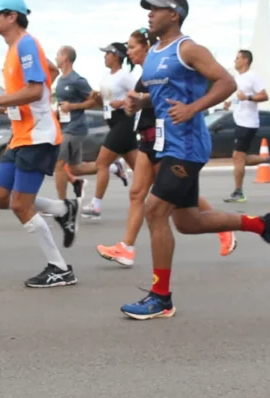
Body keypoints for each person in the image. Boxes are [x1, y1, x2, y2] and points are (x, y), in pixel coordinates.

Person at [119, 0, 270, 320]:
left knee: (155, 210)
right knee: (187, 222)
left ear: (174, 14)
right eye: (149, 10)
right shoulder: (153, 54)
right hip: (167, 143)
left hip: (187, 145)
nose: (150, 15)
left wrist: (193, 108)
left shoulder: (189, 49)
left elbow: (226, 83)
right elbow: (161, 97)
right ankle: (264, 224)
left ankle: (161, 297)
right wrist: (140, 102)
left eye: (155, 10)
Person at [97, 29, 238, 268]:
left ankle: (224, 230)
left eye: (132, 47)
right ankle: (127, 248)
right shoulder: (146, 73)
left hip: (168, 139)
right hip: (147, 137)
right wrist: (135, 103)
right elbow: (151, 99)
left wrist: (140, 100)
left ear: (146, 47)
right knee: (138, 193)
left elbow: (173, 95)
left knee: (173, 199)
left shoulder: (165, 68)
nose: (128, 52)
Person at [0, 0, 80, 287]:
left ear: (12, 16)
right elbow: (51, 72)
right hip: (21, 136)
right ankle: (62, 209)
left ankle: (59, 268)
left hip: (38, 136)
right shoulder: (15, 48)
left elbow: (34, 91)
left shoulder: (25, 44)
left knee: (22, 205)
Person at [83, 41, 136, 217]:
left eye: (107, 53)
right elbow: (104, 104)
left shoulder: (124, 76)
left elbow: (140, 95)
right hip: (112, 121)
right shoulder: (106, 76)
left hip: (124, 122)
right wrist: (96, 98)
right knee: (141, 168)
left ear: (116, 56)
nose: (104, 56)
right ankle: (166, 198)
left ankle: (96, 205)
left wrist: (122, 102)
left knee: (101, 163)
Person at [225, 49, 270, 203]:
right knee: (240, 158)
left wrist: (248, 97)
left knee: (237, 157)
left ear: (246, 61)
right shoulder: (238, 78)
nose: (235, 61)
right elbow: (239, 97)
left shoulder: (253, 77)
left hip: (248, 122)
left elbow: (264, 95)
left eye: (237, 58)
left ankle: (238, 192)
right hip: (239, 121)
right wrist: (229, 103)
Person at [52, 46, 96, 200]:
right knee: (75, 168)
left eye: (57, 54)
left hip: (74, 128)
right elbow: (61, 104)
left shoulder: (77, 80)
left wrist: (73, 106)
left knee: (58, 164)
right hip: (64, 126)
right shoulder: (60, 80)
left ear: (65, 57)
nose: (55, 57)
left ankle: (62, 205)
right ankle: (110, 167)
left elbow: (93, 101)